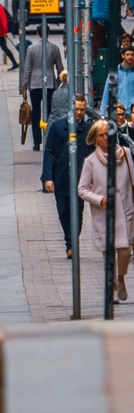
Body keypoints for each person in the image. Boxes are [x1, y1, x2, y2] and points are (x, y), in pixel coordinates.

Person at [77, 121, 132, 303]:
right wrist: (99, 199)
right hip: (104, 213)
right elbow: (82, 189)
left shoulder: (125, 154)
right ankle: (113, 289)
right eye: (101, 135)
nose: (106, 138)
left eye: (108, 133)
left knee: (125, 251)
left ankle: (120, 278)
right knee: (108, 253)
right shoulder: (90, 162)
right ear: (95, 139)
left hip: (125, 210)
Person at [43, 95, 95, 257]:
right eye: (76, 109)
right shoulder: (58, 127)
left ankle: (72, 244)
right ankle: (69, 240)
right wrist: (47, 177)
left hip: (81, 179)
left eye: (82, 109)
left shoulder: (89, 130)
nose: (79, 112)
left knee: (78, 211)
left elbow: (95, 154)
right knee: (64, 211)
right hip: (61, 177)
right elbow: (49, 152)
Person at [20, 25, 64, 150]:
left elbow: (27, 69)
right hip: (49, 84)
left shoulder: (31, 49)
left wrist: (24, 88)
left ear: (37, 34)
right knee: (50, 113)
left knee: (35, 113)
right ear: (48, 33)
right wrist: (57, 83)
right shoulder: (54, 48)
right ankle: (50, 139)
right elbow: (60, 69)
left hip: (35, 84)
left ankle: (36, 142)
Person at [101, 45, 134, 114]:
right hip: (118, 112)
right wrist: (102, 113)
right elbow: (107, 92)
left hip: (132, 112)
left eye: (132, 55)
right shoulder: (115, 71)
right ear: (123, 56)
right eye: (127, 55)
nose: (130, 57)